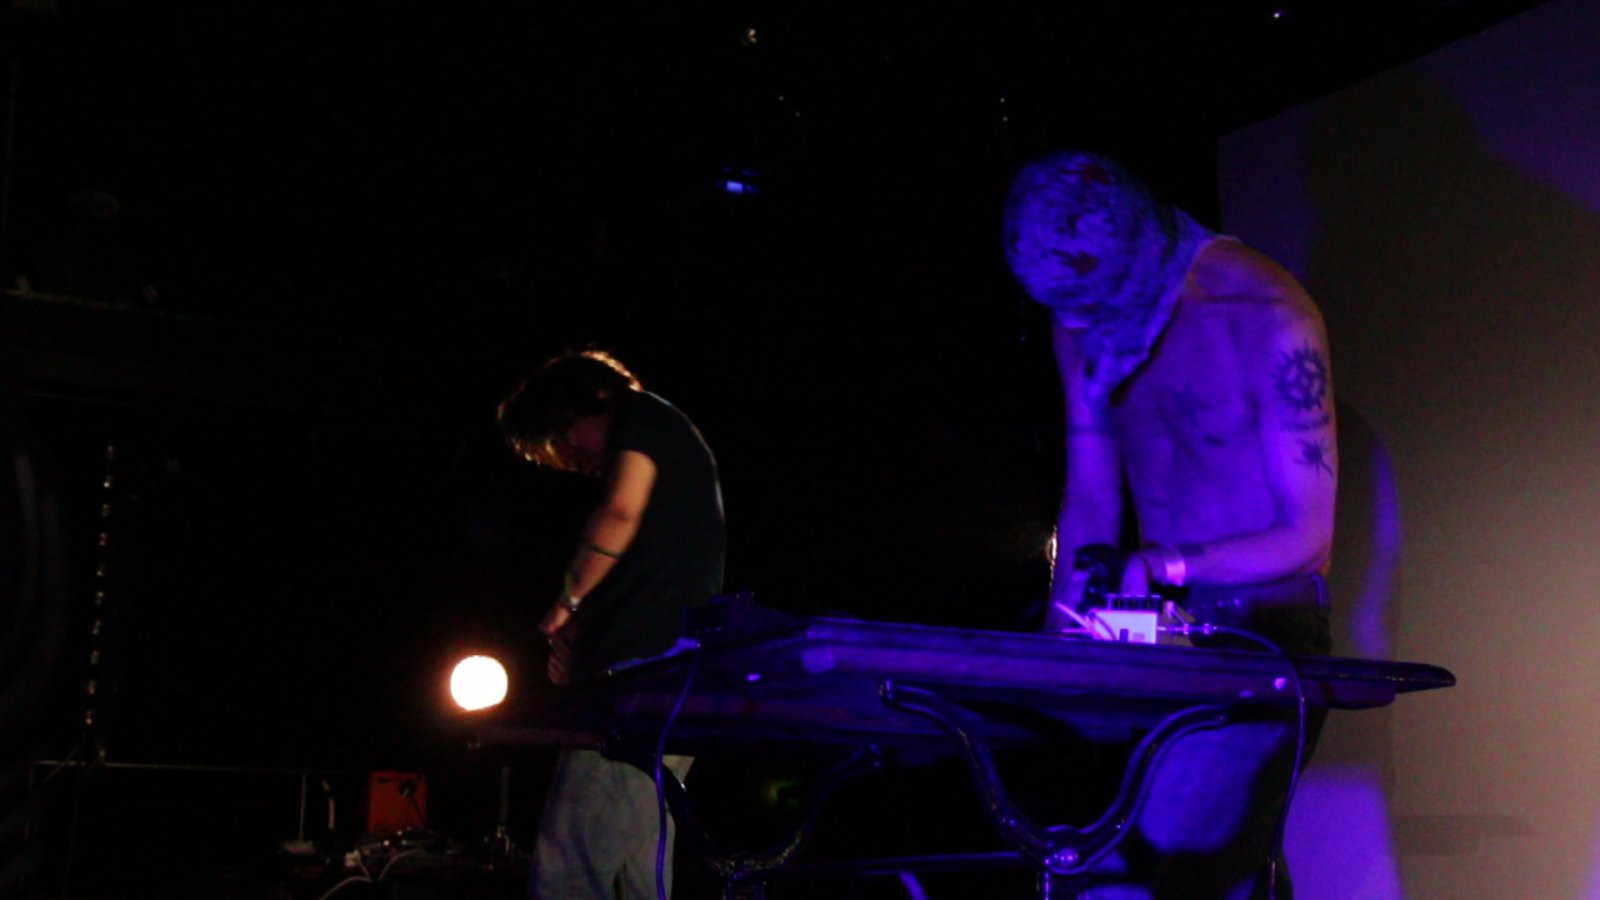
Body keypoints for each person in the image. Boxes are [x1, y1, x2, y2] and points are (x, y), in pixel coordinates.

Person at [1003, 151, 1336, 897]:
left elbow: (1307, 535)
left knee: (1143, 875)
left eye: (1093, 312)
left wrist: (1167, 565)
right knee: (1114, 854)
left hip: (1260, 633)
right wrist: (1057, 645)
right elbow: (1092, 499)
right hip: (1152, 632)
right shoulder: (1082, 313)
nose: (1078, 329)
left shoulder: (1266, 316)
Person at [498, 349, 725, 899]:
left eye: (562, 440)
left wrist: (567, 603)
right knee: (637, 872)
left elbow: (619, 512)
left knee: (571, 863)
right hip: (670, 679)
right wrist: (583, 645)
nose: (568, 459)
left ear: (577, 407)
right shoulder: (668, 439)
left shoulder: (642, 416)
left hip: (640, 685)